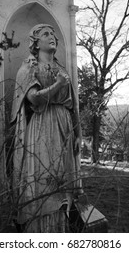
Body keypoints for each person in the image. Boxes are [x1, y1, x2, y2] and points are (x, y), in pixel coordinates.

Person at [11, 24, 82, 232]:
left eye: (53, 34)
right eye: (45, 34)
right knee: (43, 178)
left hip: (64, 126)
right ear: (35, 42)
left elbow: (74, 104)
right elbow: (34, 99)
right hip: (42, 126)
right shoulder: (28, 68)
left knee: (62, 179)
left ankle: (60, 228)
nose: (52, 37)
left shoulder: (61, 69)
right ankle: (39, 231)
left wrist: (78, 133)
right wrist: (58, 85)